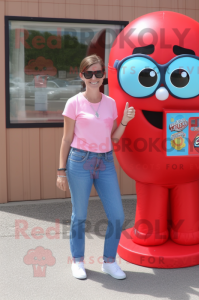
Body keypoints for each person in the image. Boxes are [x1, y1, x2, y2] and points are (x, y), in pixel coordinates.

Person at [56, 54, 135, 280]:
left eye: (98, 73)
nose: (93, 77)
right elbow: (66, 139)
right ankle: (78, 261)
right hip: (79, 162)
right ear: (82, 76)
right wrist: (60, 171)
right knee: (79, 215)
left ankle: (109, 262)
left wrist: (125, 122)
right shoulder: (74, 103)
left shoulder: (110, 104)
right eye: (89, 73)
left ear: (103, 77)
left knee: (117, 216)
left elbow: (113, 138)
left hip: (106, 162)